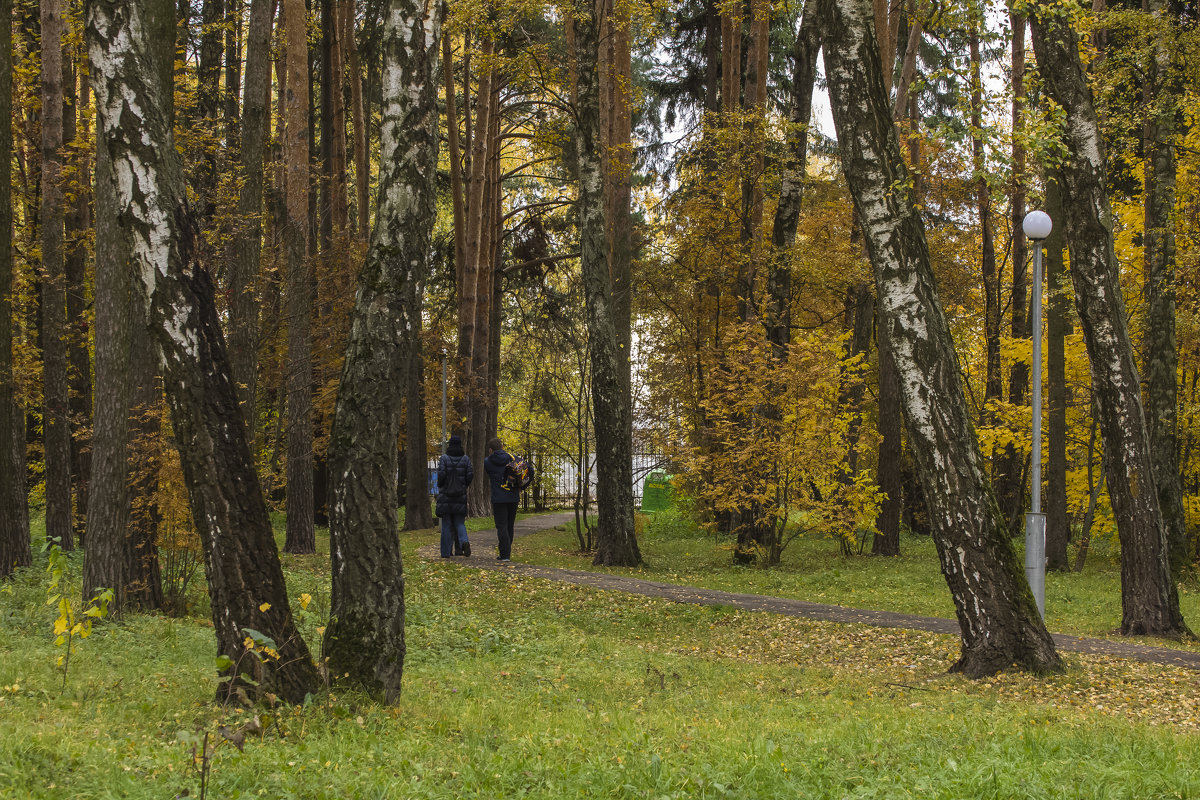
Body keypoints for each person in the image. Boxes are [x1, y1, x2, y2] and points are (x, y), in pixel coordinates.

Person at [436, 435, 473, 558]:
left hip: (446, 495)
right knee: (459, 523)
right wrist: (463, 486)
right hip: (460, 495)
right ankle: (464, 542)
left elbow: (441, 475)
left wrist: (441, 486)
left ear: (450, 445)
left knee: (446, 524)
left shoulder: (444, 458)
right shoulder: (465, 459)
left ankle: (446, 552)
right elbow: (470, 475)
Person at [484, 437, 520, 561]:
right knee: (510, 525)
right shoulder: (513, 458)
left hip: (498, 498)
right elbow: (529, 470)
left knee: (501, 526)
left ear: (490, 449)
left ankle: (505, 554)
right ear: (502, 447)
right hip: (513, 496)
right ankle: (506, 551)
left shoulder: (488, 462)